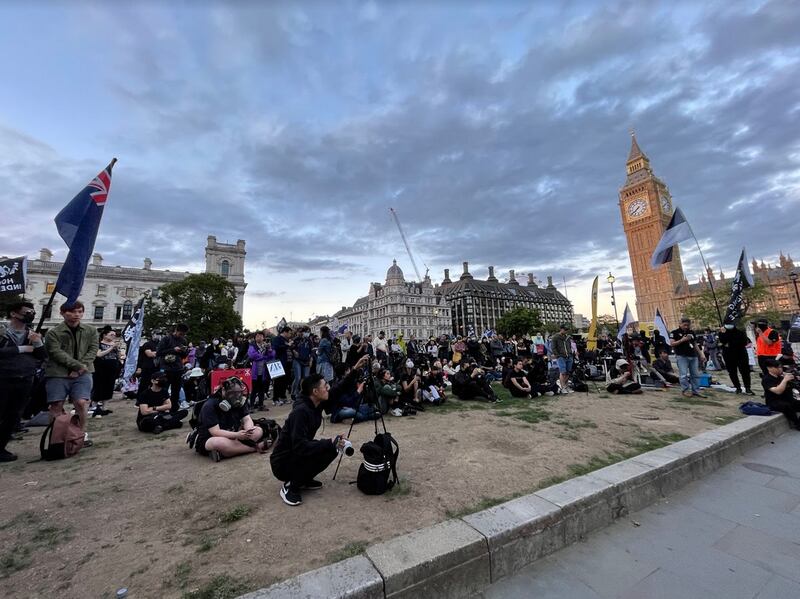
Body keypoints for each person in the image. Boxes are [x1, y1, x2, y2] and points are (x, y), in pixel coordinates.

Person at [270, 374, 349, 506]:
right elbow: (299, 446)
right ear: (315, 391)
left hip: (297, 453)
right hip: (283, 462)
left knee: (334, 448)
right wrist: (328, 442)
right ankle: (291, 486)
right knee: (328, 446)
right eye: (325, 386)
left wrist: (354, 370)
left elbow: (337, 390)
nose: (328, 388)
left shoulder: (316, 404)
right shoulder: (300, 411)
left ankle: (303, 479)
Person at [0, 301, 48, 462]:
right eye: (27, 312)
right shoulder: (3, 331)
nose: (31, 315)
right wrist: (21, 349)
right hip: (4, 377)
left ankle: (1, 447)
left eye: (33, 312)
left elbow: (42, 356)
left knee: (13, 415)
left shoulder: (32, 333)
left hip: (25, 377)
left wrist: (38, 343)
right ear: (14, 314)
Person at [44, 301, 99, 440]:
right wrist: (77, 366)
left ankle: (80, 433)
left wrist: (81, 368)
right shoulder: (53, 333)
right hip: (58, 372)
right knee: (56, 405)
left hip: (84, 372)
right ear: (62, 313)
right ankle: (56, 436)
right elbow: (56, 353)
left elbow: (92, 351)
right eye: (72, 311)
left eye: (80, 311)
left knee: (81, 402)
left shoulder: (91, 330)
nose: (77, 315)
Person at [195, 376, 267, 461]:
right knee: (218, 443)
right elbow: (215, 432)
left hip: (236, 435)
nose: (236, 397)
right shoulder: (209, 406)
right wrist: (237, 435)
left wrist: (249, 431)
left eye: (239, 393)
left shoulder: (240, 401)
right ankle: (255, 448)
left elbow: (247, 419)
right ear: (223, 391)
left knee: (258, 431)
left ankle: (227, 452)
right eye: (232, 394)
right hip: (212, 437)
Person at [328, 357, 377, 422]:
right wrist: (358, 391)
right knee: (354, 413)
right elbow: (348, 402)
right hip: (341, 409)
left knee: (372, 407)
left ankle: (352, 419)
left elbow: (357, 402)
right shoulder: (338, 386)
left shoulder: (351, 382)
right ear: (344, 372)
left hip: (354, 407)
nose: (350, 372)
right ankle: (365, 417)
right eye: (348, 370)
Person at [156, 324, 190, 412]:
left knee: (176, 391)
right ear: (176, 330)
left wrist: (185, 351)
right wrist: (173, 350)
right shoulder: (166, 339)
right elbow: (159, 352)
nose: (181, 336)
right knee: (164, 390)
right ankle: (161, 409)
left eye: (183, 334)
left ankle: (174, 410)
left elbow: (183, 356)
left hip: (178, 368)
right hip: (166, 368)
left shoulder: (183, 340)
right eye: (180, 333)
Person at [670, 318, 705, 398]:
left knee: (695, 374)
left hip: (693, 356)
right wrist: (682, 340)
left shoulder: (691, 332)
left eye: (688, 325)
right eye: (684, 325)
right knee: (683, 375)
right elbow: (672, 343)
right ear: (680, 324)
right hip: (682, 356)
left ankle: (695, 391)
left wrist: (701, 354)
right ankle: (685, 390)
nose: (686, 327)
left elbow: (695, 344)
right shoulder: (674, 332)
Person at [761, 359, 799, 429]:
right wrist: (785, 380)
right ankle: (797, 424)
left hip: (787, 399)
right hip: (774, 402)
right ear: (770, 368)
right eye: (778, 367)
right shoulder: (766, 379)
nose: (780, 369)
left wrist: (795, 378)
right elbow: (778, 391)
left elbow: (794, 387)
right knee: (787, 406)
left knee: (796, 403)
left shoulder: (781, 376)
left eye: (781, 367)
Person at [718, 323, 754, 395]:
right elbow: (722, 342)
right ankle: (738, 388)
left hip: (741, 354)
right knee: (732, 372)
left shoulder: (740, 332)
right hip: (728, 355)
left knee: (745, 372)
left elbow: (743, 342)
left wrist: (729, 344)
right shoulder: (722, 333)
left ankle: (748, 388)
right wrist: (724, 335)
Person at [92, 326, 121, 407]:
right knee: (99, 386)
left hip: (112, 368)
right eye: (111, 335)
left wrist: (117, 349)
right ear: (105, 335)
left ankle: (104, 406)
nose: (113, 336)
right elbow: (99, 354)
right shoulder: (99, 344)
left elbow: (118, 356)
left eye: (114, 335)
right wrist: (111, 347)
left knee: (109, 386)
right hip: (101, 368)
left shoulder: (114, 345)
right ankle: (94, 405)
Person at [248, 332, 274, 410]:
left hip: (263, 372)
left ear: (263, 337)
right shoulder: (252, 346)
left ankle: (261, 405)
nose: (259, 338)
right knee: (254, 390)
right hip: (255, 371)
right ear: (255, 338)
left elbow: (272, 356)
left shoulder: (266, 346)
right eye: (257, 336)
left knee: (262, 389)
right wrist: (264, 356)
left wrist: (269, 349)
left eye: (261, 336)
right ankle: (251, 406)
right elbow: (252, 355)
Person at [271, 326, 292, 405]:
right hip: (278, 363)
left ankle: (283, 397)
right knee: (278, 381)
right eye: (289, 333)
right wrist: (287, 345)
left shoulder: (286, 340)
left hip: (287, 362)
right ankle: (275, 399)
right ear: (285, 332)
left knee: (285, 381)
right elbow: (276, 348)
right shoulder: (277, 339)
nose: (290, 335)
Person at [549, 324, 573, 394]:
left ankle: (565, 385)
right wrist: (557, 355)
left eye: (567, 330)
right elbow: (553, 347)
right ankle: (562, 387)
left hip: (569, 356)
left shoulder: (567, 337)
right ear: (561, 329)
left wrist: (570, 353)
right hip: (561, 357)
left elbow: (569, 346)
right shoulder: (555, 337)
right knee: (563, 372)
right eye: (565, 329)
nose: (566, 331)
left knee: (568, 372)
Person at [292, 327, 313, 400]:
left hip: (306, 361)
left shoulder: (309, 340)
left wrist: (311, 360)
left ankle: (303, 392)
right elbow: (291, 348)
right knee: (298, 377)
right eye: (300, 332)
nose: (302, 333)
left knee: (306, 377)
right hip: (297, 360)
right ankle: (294, 393)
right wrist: (294, 351)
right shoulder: (295, 340)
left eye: (306, 332)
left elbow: (311, 351)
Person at [137, 333, 159, 399]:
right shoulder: (147, 344)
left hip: (157, 367)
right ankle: (140, 399)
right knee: (144, 384)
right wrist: (160, 352)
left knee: (155, 383)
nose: (158, 335)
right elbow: (149, 354)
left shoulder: (160, 344)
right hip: (147, 367)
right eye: (157, 334)